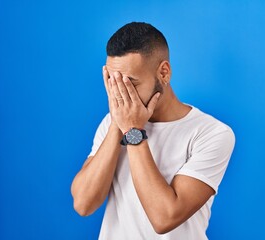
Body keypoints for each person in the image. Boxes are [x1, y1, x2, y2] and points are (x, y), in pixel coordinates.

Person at [71, 22, 235, 240]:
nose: (120, 93)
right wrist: (116, 125)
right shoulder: (112, 122)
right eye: (113, 82)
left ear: (164, 73)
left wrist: (132, 129)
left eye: (130, 83)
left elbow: (164, 217)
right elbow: (83, 204)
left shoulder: (211, 133)